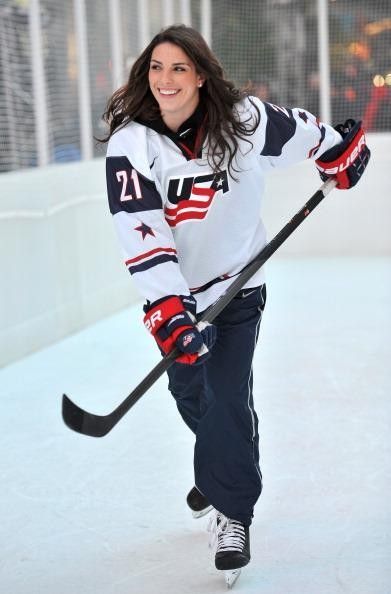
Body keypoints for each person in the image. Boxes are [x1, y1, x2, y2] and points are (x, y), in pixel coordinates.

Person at [101, 24, 370, 582]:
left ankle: (232, 511)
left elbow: (307, 133)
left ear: (200, 74)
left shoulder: (244, 122)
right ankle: (219, 459)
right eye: (156, 68)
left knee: (225, 393)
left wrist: (340, 154)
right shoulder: (133, 145)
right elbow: (140, 230)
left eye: (179, 68)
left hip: (238, 286)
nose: (166, 80)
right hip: (177, 295)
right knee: (189, 390)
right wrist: (170, 308)